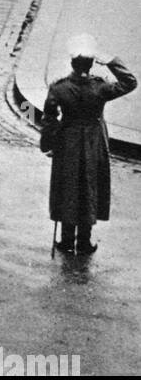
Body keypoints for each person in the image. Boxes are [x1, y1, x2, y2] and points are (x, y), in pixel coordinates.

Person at [42, 39, 136, 256]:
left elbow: (49, 119)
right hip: (94, 141)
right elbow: (130, 82)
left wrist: (48, 144)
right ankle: (84, 241)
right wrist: (112, 61)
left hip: (67, 141)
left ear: (73, 62)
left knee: (68, 187)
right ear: (91, 64)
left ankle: (66, 240)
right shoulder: (100, 87)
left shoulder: (59, 87)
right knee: (90, 185)